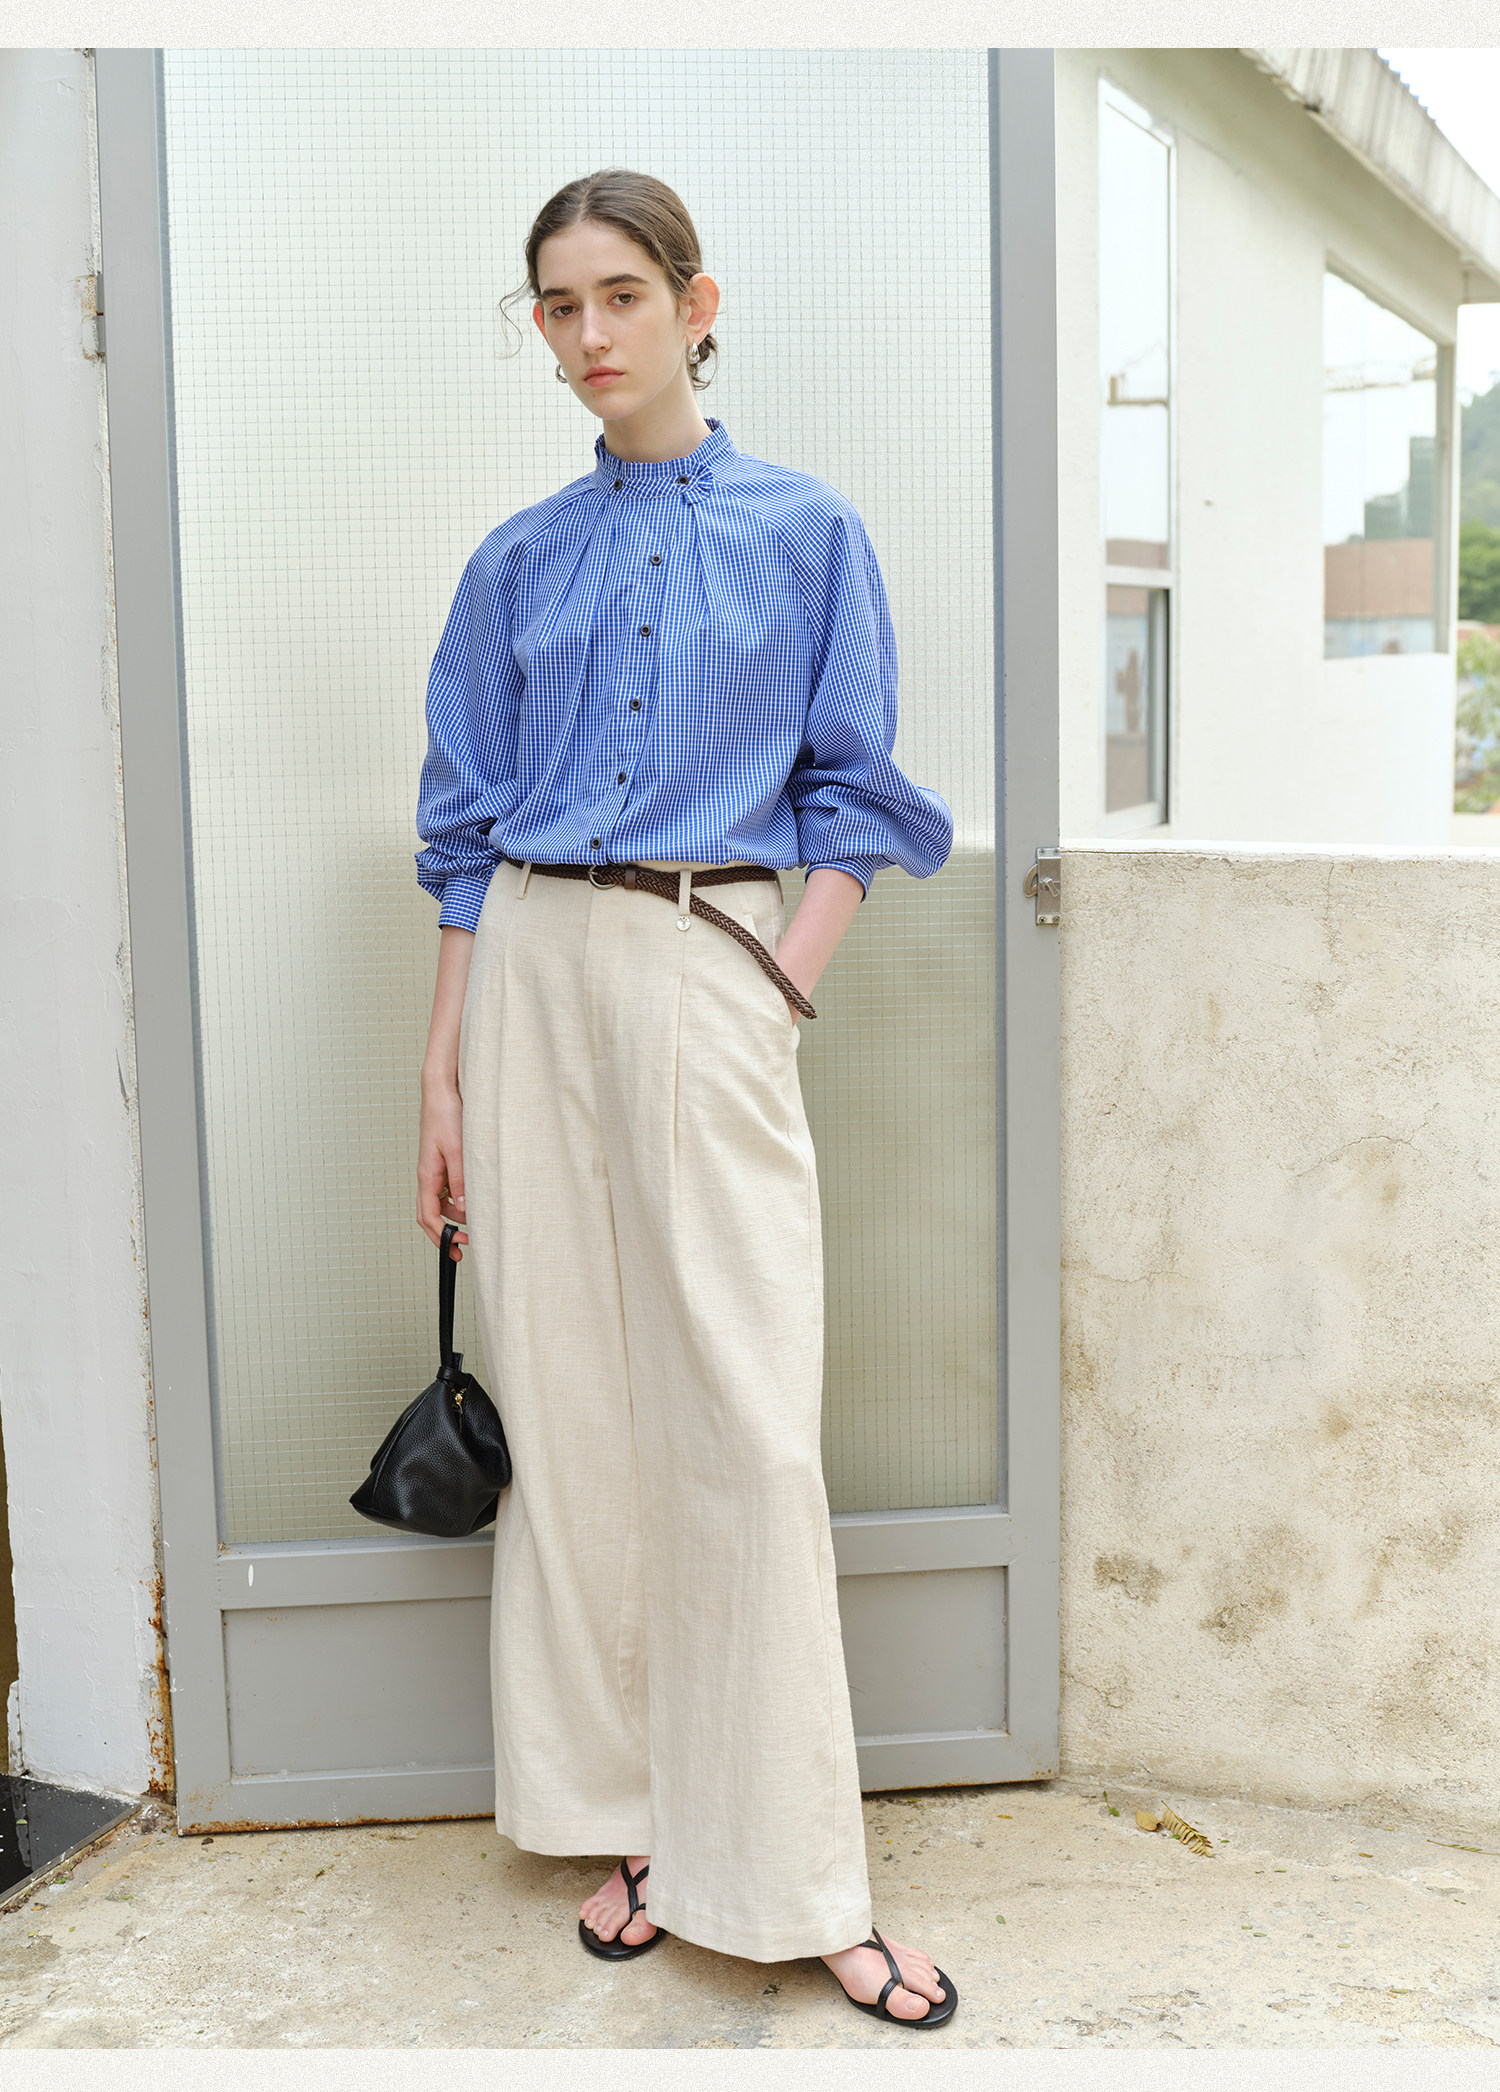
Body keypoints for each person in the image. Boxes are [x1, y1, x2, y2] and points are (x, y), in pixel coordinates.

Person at [413, 168, 956, 2028]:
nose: (589, 335)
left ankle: (800, 1877)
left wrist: (777, 983)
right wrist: (442, 1071)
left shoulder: (808, 532)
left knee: (746, 1418)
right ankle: (627, 1816)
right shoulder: (516, 562)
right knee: (574, 1411)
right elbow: (463, 831)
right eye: (557, 305)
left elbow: (856, 791)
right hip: (529, 969)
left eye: (622, 295)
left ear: (696, 303)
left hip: (706, 953)